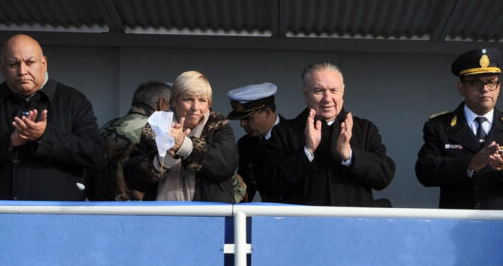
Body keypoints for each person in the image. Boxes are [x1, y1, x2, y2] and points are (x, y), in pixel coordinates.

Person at [0, 34, 102, 200]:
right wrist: (7, 141)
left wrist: (44, 137)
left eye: (30, 62)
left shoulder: (73, 101)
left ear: (44, 63)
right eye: (13, 64)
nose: (22, 71)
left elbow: (93, 152)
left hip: (58, 217)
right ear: (2, 68)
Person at [415, 47, 503, 209]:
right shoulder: (439, 126)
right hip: (455, 225)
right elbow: (424, 171)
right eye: (476, 82)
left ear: (498, 87)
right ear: (461, 87)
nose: (485, 89)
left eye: (491, 82)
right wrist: (469, 165)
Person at [264, 62, 395, 206]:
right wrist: (307, 151)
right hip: (304, 225)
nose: (327, 99)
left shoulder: (364, 130)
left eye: (334, 90)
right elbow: (270, 185)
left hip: (353, 225)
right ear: (305, 93)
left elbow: (384, 176)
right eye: (319, 91)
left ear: (343, 92)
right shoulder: (284, 133)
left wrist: (349, 155)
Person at [124, 70, 238, 202]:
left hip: (207, 218)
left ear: (209, 104)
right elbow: (132, 177)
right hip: (162, 216)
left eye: (202, 100)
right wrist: (163, 160)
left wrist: (185, 146)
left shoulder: (219, 126)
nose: (195, 107)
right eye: (188, 99)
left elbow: (226, 165)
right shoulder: (156, 126)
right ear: (174, 101)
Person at [91, 81, 171, 201]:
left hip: (96, 206)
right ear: (162, 104)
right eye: (172, 105)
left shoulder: (107, 126)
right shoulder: (154, 131)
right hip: (132, 209)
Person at [226, 82, 283, 202]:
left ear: (267, 112)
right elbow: (246, 189)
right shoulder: (246, 144)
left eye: (248, 118)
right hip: (266, 214)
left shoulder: (296, 135)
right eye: (241, 119)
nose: (242, 124)